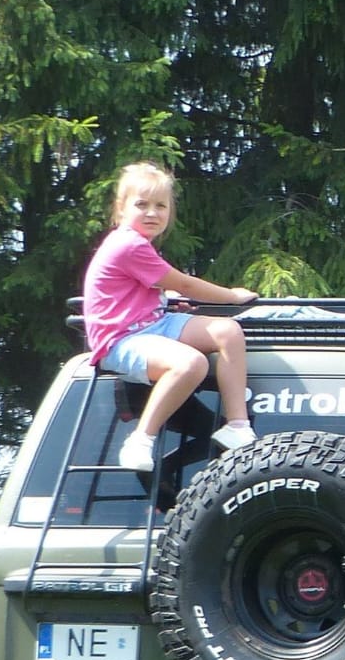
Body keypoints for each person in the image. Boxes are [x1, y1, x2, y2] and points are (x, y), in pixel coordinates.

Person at [81, 161, 258, 473]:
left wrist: (167, 300)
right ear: (121, 208)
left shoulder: (139, 244)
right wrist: (232, 296)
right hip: (121, 340)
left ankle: (237, 425)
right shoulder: (127, 245)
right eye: (142, 204)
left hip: (154, 324)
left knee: (228, 331)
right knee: (191, 363)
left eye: (160, 206)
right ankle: (141, 439)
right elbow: (185, 284)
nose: (152, 213)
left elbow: (147, 289)